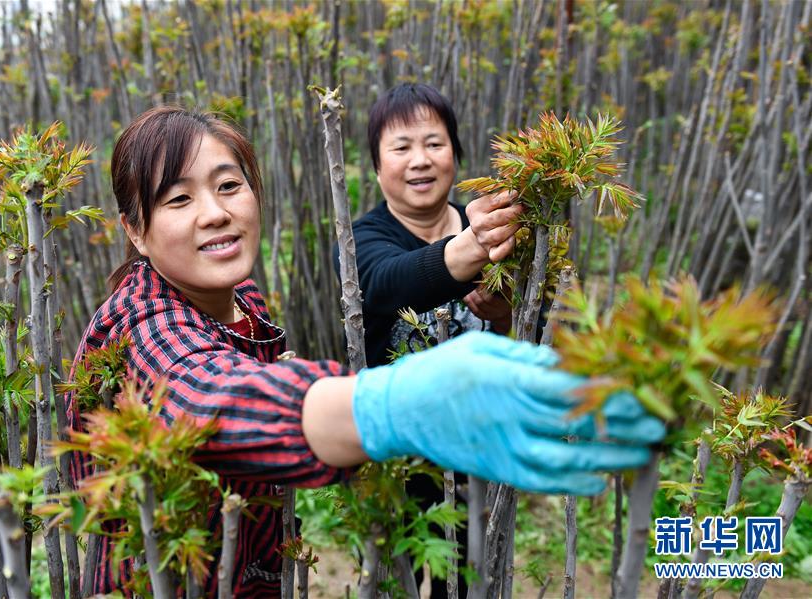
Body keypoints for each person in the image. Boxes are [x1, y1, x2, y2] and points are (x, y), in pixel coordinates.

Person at [66, 106, 663, 597]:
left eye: (229, 186)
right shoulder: (138, 322)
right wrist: (391, 404)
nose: (216, 212)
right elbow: (213, 398)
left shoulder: (237, 293)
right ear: (135, 229)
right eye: (178, 200)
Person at [342, 83, 520, 368]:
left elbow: (547, 340)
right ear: (377, 167)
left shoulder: (492, 231)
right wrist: (475, 245)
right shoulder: (357, 242)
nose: (421, 161)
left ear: (455, 155)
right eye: (401, 147)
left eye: (434, 144)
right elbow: (384, 282)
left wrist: (505, 317)